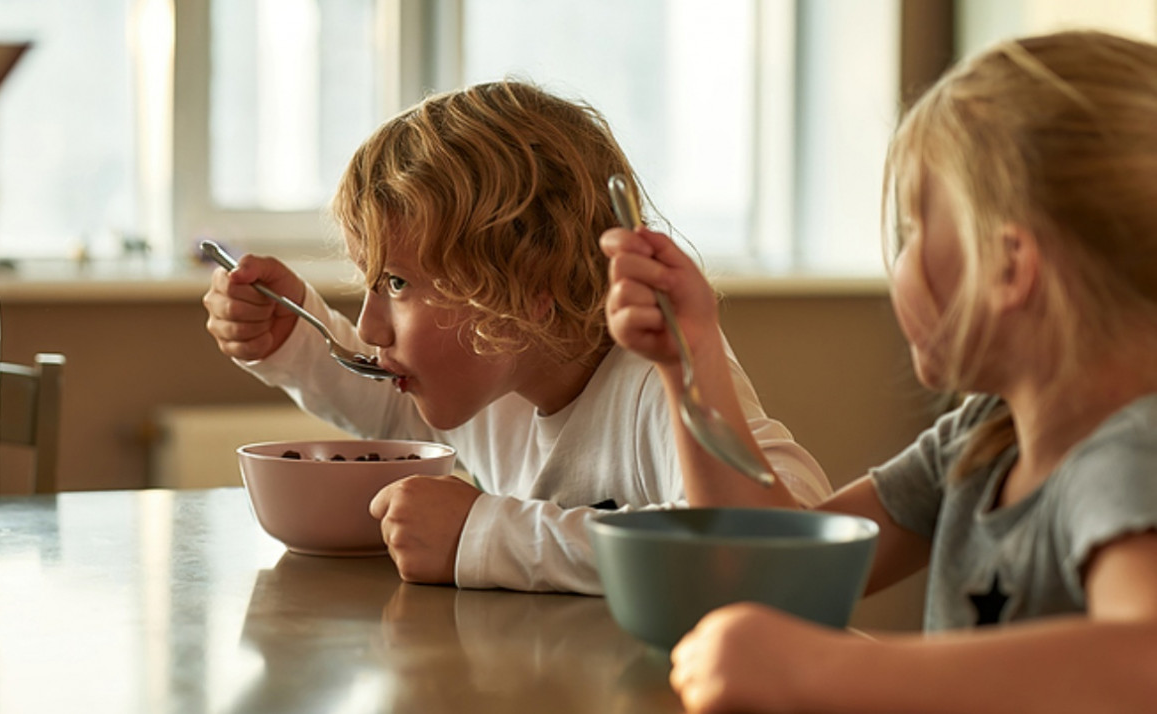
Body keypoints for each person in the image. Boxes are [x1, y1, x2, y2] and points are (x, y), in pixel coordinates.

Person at [602, 30, 1157, 712]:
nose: (900, 258)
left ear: (1010, 265)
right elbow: (779, 569)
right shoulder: (987, 438)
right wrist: (690, 355)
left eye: (913, 227)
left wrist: (826, 671)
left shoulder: (1129, 454)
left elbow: (1144, 664)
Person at [203, 80, 831, 594]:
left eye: (396, 284)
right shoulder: (492, 378)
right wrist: (294, 340)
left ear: (528, 288)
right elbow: (393, 405)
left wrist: (485, 534)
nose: (369, 327)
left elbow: (788, 532)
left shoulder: (656, 375)